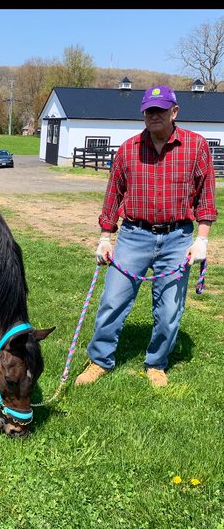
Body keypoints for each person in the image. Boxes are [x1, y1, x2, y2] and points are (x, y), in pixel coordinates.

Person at [75, 84, 217, 388]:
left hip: (178, 237)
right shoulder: (128, 150)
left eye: (160, 110)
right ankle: (100, 360)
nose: (154, 115)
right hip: (133, 236)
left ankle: (156, 363)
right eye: (149, 110)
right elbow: (113, 196)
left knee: (169, 310)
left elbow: (206, 199)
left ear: (174, 111)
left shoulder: (197, 147)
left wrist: (202, 240)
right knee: (112, 300)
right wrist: (104, 237)